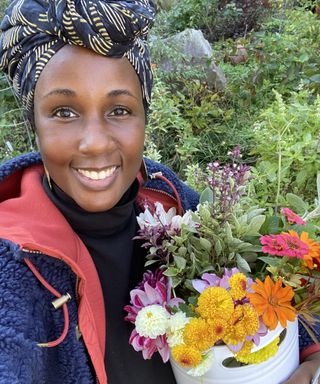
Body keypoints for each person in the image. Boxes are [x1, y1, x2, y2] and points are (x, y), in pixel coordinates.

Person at [0, 1, 318, 383]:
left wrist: (311, 357)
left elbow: (281, 298)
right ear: (33, 123)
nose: (95, 143)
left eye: (119, 110)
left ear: (144, 117)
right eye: (64, 112)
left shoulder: (173, 202)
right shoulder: (14, 262)